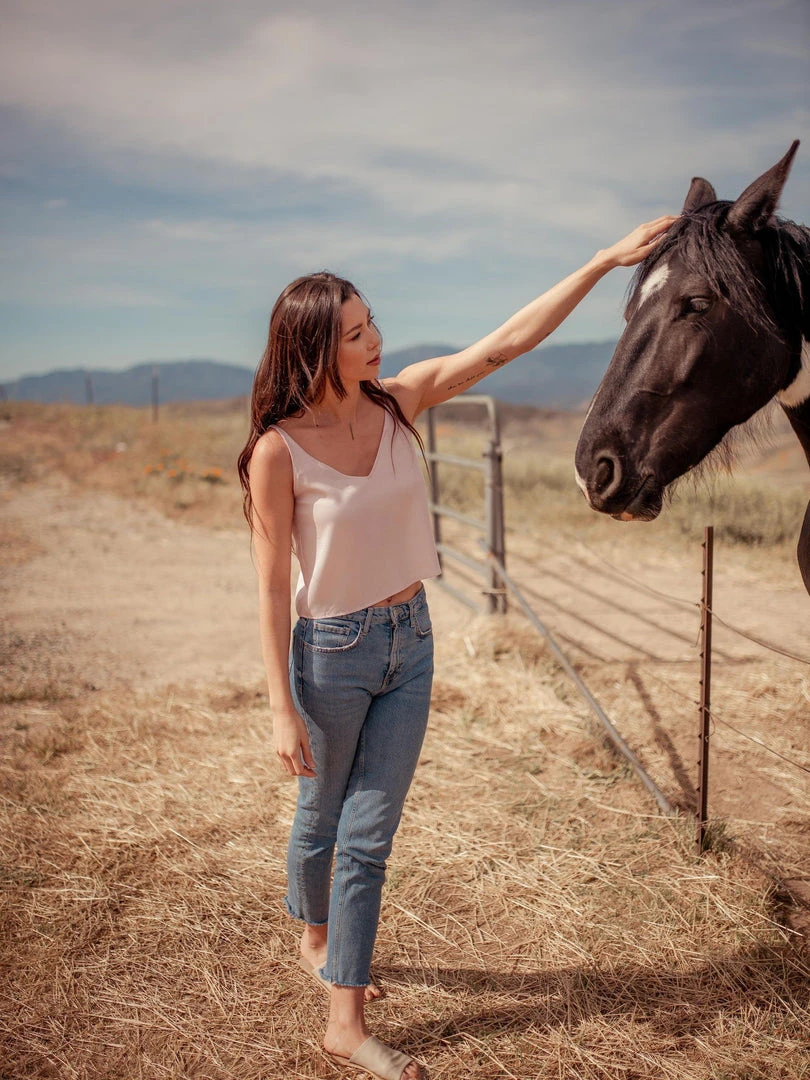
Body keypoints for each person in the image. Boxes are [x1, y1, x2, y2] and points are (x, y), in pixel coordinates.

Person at [237, 215, 675, 1080]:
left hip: (411, 643)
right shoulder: (276, 454)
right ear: (315, 349)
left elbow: (505, 344)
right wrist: (280, 706)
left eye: (371, 322)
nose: (375, 339)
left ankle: (343, 1021)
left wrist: (601, 262)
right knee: (320, 816)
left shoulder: (399, 401)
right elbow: (270, 587)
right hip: (330, 652)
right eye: (355, 333)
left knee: (366, 835)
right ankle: (314, 931)